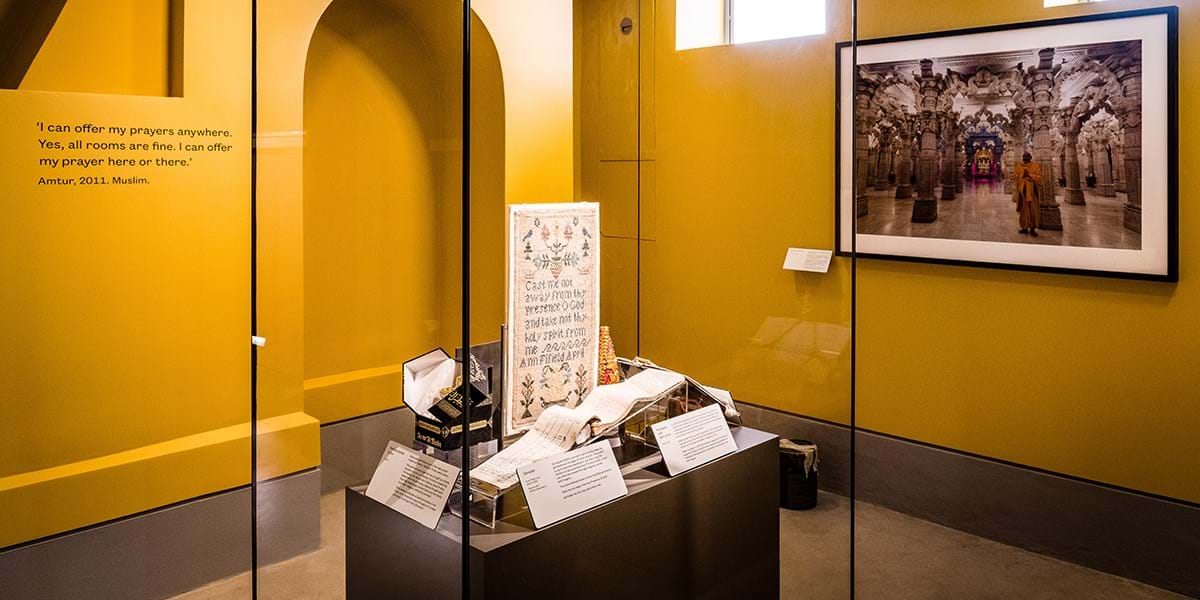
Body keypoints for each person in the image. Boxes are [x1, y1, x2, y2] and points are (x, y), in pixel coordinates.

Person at [1012, 151, 1042, 237]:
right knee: (1023, 210)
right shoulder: (1019, 167)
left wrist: (1029, 176)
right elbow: (1016, 177)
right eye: (1024, 156)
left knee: (1033, 210)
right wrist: (1022, 176)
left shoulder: (1035, 167)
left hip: (1032, 193)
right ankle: (1024, 227)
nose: (1025, 158)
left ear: (1030, 157)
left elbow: (1039, 178)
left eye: (1027, 156)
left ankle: (1033, 228)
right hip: (1023, 193)